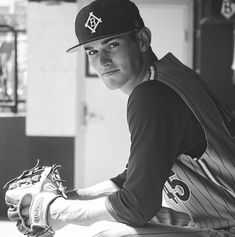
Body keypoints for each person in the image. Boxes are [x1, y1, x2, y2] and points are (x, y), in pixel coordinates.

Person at [20, 0, 235, 236]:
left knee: (105, 233)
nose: (102, 61)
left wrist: (56, 212)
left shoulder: (151, 94)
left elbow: (137, 205)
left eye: (112, 44)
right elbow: (132, 178)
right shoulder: (170, 76)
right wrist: (68, 197)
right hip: (215, 216)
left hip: (227, 227)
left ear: (142, 40)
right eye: (92, 51)